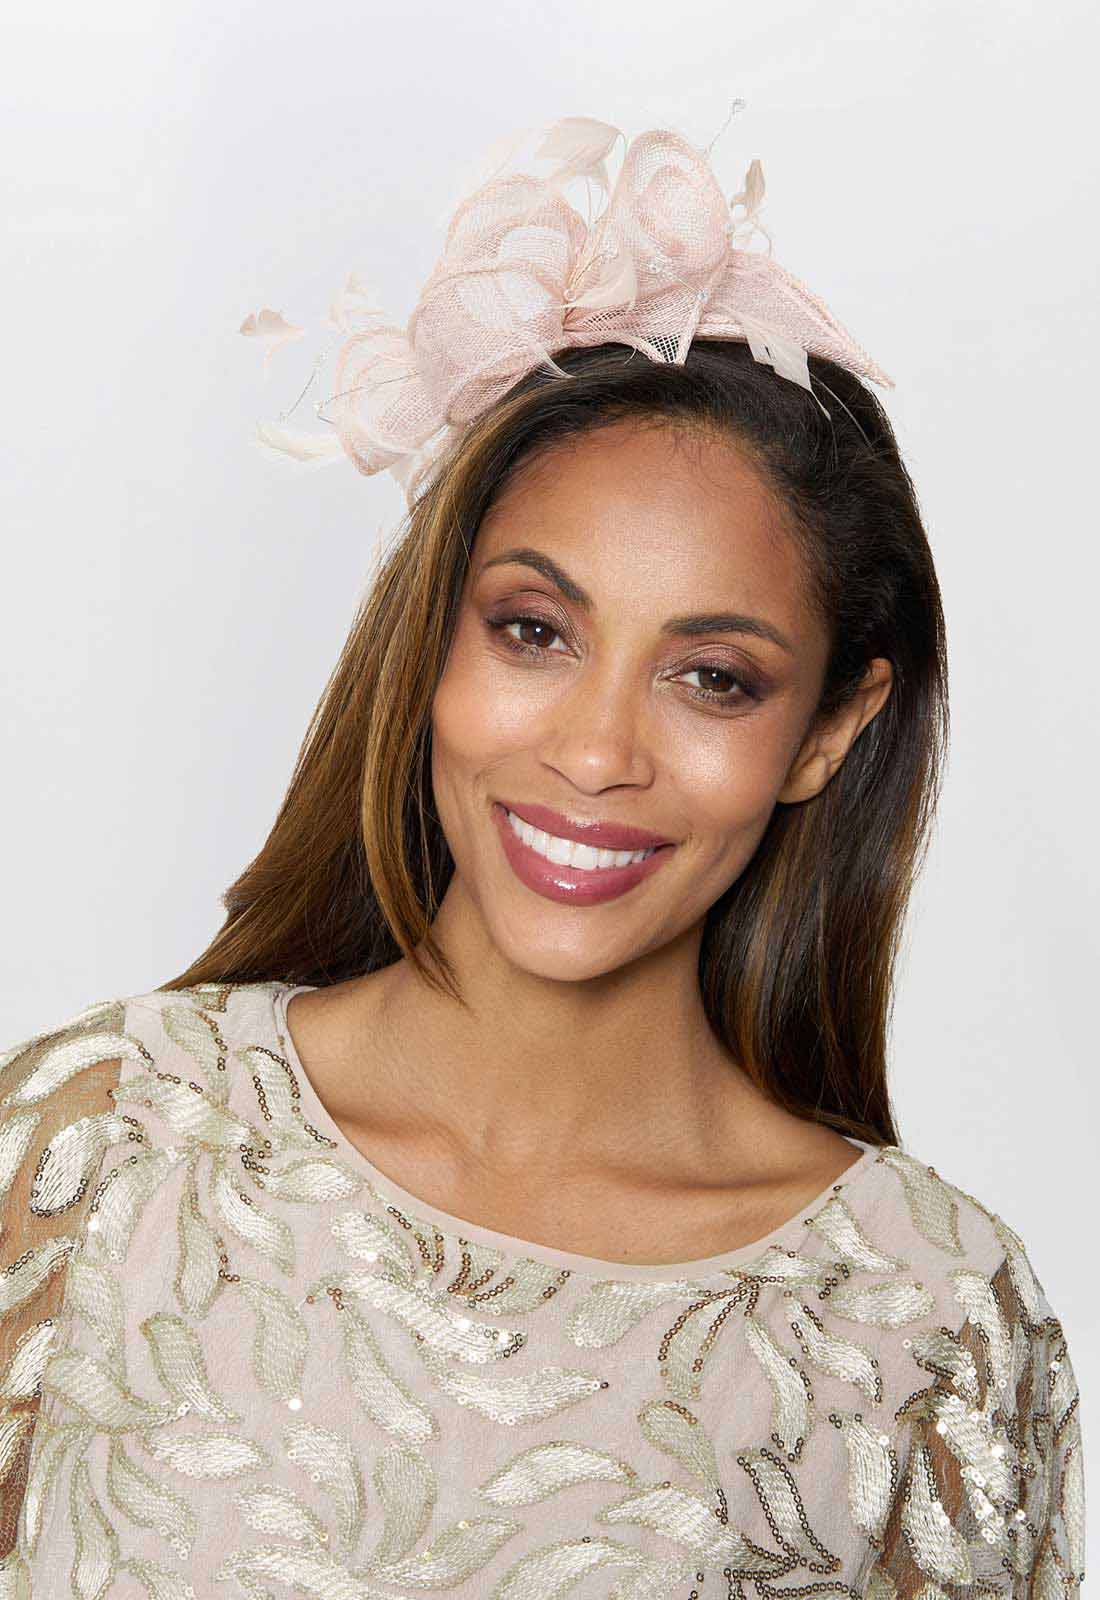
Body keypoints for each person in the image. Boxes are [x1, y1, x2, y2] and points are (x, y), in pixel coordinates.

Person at [0, 115, 1085, 1597]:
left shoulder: (920, 1321)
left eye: (713, 678)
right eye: (535, 631)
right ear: (436, 637)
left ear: (831, 730)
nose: (593, 752)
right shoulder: (105, 1147)